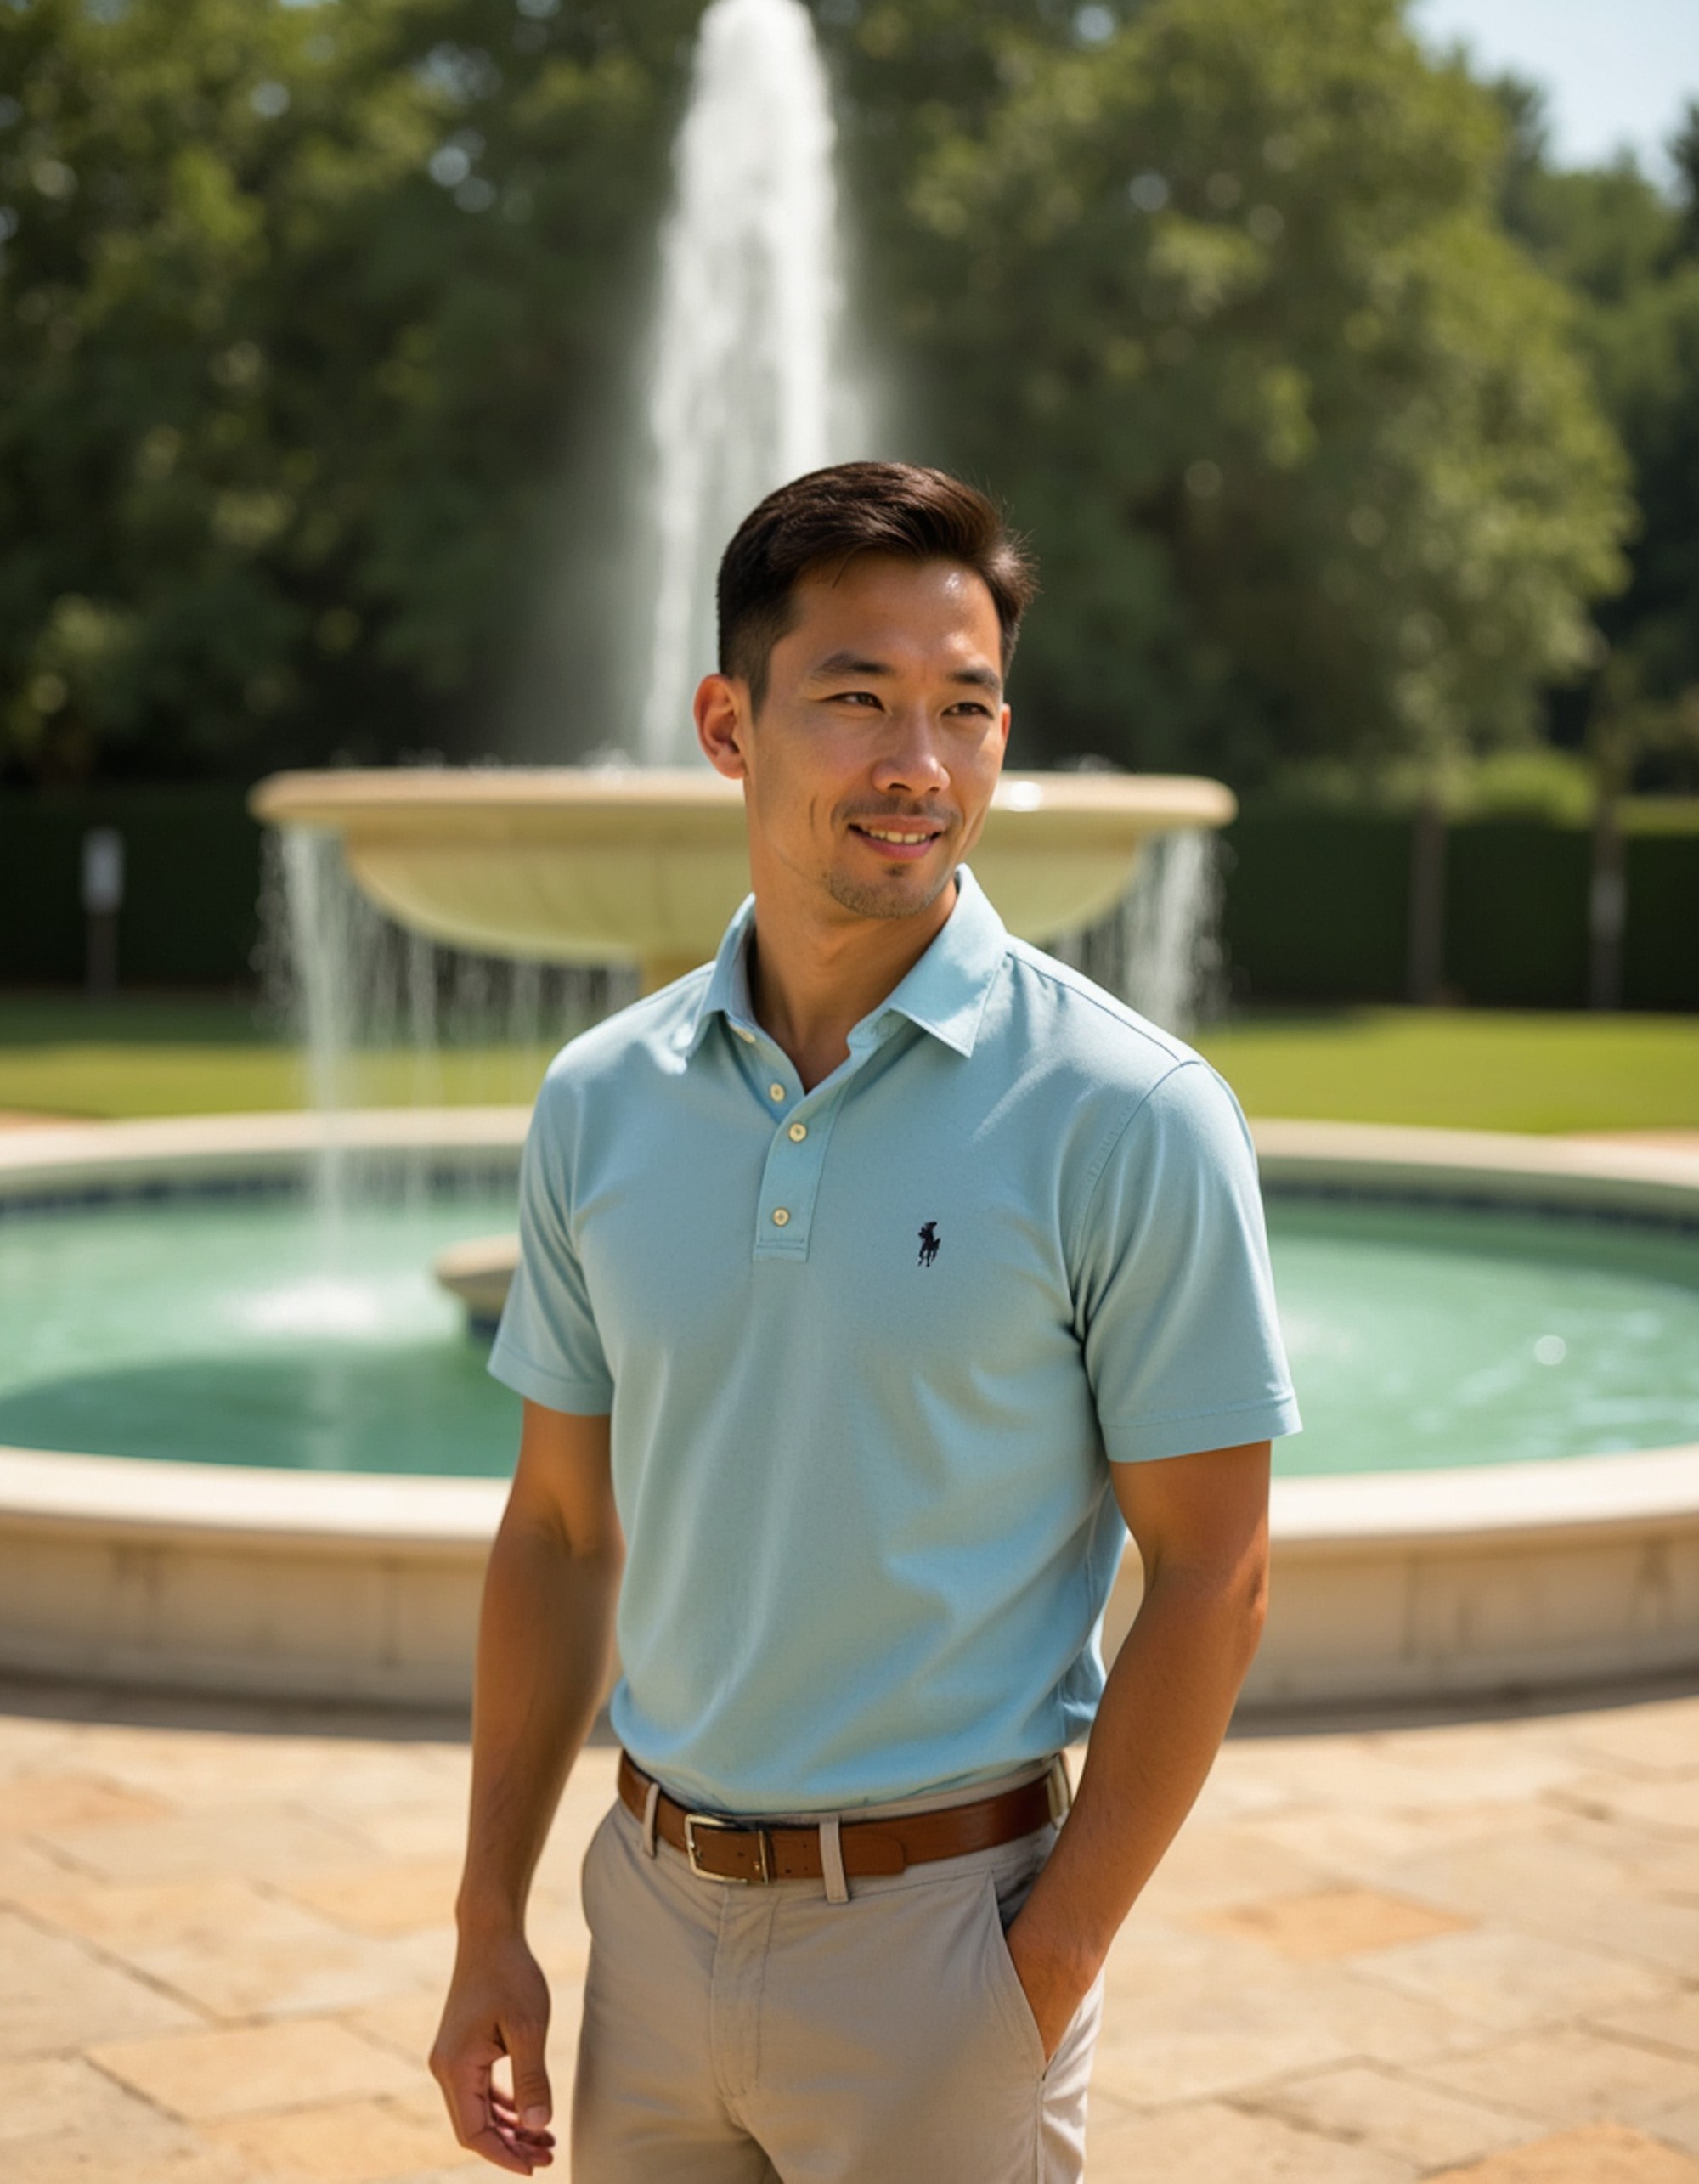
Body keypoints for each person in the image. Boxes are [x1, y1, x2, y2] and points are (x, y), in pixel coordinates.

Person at [430, 460, 1300, 2182]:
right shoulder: (599, 1099)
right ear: (726, 723)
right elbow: (552, 1526)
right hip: (649, 1928)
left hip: (945, 1953)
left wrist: (1041, 1965)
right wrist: (487, 1916)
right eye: (856, 700)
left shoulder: (1130, 1111)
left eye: (965, 709)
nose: (920, 764)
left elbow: (1215, 1573)